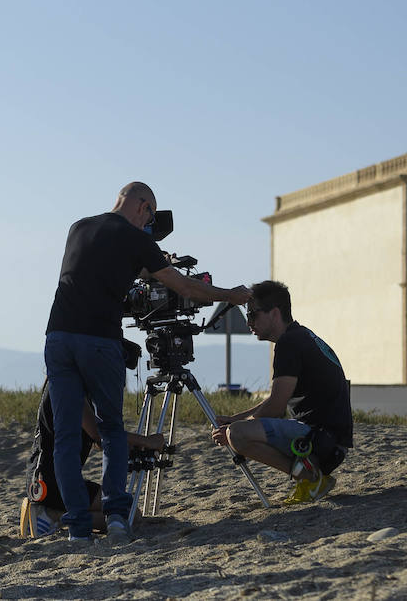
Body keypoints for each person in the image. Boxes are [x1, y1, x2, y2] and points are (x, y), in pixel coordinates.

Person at [45, 181, 251, 545]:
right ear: (144, 208)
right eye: (149, 217)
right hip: (98, 341)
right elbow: (185, 289)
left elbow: (102, 269)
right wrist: (229, 295)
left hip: (58, 338)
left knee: (65, 436)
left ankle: (78, 529)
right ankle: (117, 519)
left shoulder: (79, 227)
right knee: (110, 431)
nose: (148, 225)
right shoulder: (138, 240)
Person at [211, 280, 353, 504]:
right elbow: (276, 399)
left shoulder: (289, 343)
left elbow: (276, 408)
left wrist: (234, 428)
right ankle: (309, 476)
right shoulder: (301, 336)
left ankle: (310, 477)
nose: (249, 322)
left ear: (275, 313)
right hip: (331, 440)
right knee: (237, 429)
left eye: (253, 315)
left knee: (237, 435)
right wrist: (235, 418)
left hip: (322, 440)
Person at [22, 341, 166, 537]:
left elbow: (99, 441)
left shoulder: (61, 383)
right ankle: (54, 516)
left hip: (40, 481)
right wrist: (146, 441)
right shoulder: (72, 390)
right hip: (52, 484)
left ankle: (51, 513)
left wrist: (127, 444)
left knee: (126, 511)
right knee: (131, 515)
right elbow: (99, 433)